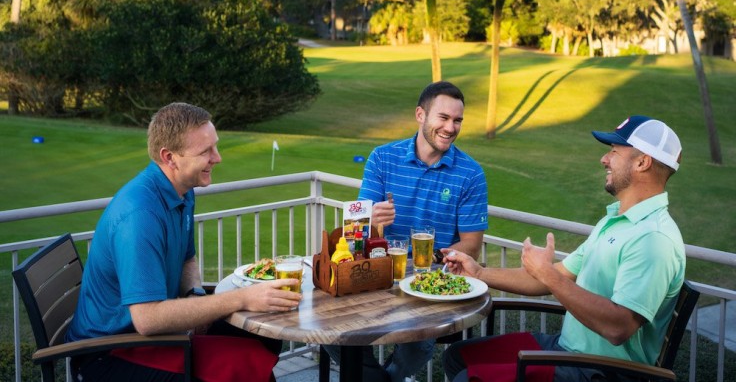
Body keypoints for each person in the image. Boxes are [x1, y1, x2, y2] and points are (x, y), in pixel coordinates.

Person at [67, 102, 302, 382]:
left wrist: (196, 297)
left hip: (150, 337)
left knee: (262, 335)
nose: (218, 157)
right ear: (170, 157)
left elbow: (187, 259)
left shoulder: (182, 191)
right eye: (205, 151)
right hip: (111, 354)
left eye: (215, 146)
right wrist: (242, 298)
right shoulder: (140, 215)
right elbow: (147, 318)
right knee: (244, 360)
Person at [442, 115, 685, 382]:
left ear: (642, 162)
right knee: (458, 356)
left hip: (601, 371)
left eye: (614, 152)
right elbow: (552, 276)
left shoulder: (653, 239)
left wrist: (547, 274)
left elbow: (619, 327)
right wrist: (478, 274)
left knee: (468, 378)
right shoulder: (616, 222)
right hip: (568, 351)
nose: (604, 159)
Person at [327, 81, 489, 382]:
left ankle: (380, 379)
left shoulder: (471, 174)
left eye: (457, 120)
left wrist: (435, 259)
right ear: (420, 115)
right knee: (329, 329)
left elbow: (471, 245)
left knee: (419, 346)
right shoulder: (382, 158)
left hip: (429, 286)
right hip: (376, 277)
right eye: (443, 118)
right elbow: (355, 231)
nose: (450, 127)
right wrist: (372, 220)